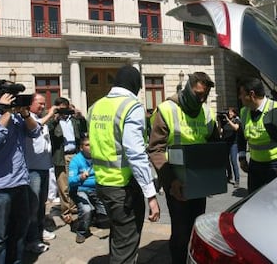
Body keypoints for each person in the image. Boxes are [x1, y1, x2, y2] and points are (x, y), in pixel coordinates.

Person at [88, 65, 160, 264]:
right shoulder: (132, 106)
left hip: (102, 183)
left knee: (119, 236)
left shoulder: (95, 107)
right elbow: (136, 154)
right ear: (136, 84)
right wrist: (150, 194)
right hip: (123, 187)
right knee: (126, 247)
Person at [148, 71, 219, 264]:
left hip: (199, 182)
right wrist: (171, 181)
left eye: (205, 95)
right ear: (188, 89)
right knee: (180, 231)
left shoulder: (206, 111)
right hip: (176, 182)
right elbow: (155, 149)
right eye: (198, 94)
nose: (201, 99)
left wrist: (213, 174)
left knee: (198, 225)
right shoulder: (167, 110)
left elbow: (214, 143)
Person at [0, 92, 41, 264]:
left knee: (18, 233)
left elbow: (35, 132)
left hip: (19, 183)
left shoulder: (18, 117)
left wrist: (25, 114)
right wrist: (7, 113)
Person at [237, 77, 277, 194]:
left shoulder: (276, 109)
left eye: (241, 94)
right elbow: (240, 136)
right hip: (254, 166)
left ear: (252, 94)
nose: (239, 97)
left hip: (275, 166)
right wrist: (242, 157)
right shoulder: (244, 112)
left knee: (275, 203)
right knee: (254, 201)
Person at [24, 93, 57, 254]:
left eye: (45, 104)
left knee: (41, 204)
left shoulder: (39, 118)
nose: (43, 107)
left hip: (44, 166)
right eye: (40, 104)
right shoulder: (27, 118)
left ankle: (39, 231)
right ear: (30, 104)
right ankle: (31, 239)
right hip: (32, 168)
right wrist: (50, 114)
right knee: (33, 205)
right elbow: (35, 128)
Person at [48, 97, 87, 225]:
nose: (65, 111)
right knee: (63, 185)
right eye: (62, 108)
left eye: (67, 107)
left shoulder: (74, 120)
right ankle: (66, 212)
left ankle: (74, 207)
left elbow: (84, 131)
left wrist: (80, 116)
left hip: (75, 155)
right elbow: (48, 131)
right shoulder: (54, 121)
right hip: (61, 156)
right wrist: (53, 117)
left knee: (74, 183)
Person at [68, 135, 109, 244]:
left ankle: (93, 218)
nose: (90, 147)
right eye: (87, 145)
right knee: (86, 210)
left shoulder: (97, 157)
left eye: (92, 144)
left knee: (106, 212)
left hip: (97, 188)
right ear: (81, 148)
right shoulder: (76, 160)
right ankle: (81, 232)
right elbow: (70, 181)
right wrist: (80, 177)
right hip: (80, 189)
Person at [219, 107, 241, 188]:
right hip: (225, 142)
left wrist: (228, 120)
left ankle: (237, 179)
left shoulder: (236, 120)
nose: (229, 113)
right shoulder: (224, 121)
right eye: (229, 112)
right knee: (226, 161)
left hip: (233, 144)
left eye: (231, 112)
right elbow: (220, 132)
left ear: (234, 113)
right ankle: (229, 175)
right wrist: (219, 122)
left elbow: (236, 128)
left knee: (233, 161)